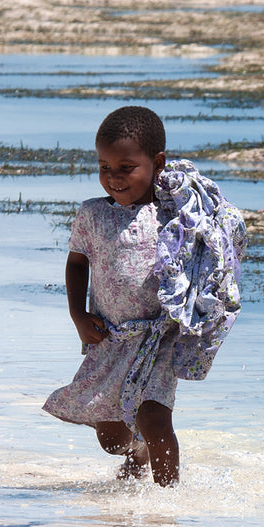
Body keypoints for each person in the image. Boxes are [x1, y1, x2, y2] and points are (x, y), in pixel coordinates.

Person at [44, 106, 245, 485]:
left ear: (157, 163)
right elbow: (76, 263)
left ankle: (167, 505)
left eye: (126, 168)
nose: (113, 178)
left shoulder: (177, 217)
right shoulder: (92, 214)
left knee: (153, 417)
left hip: (159, 337)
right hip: (109, 336)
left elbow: (214, 253)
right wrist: (77, 315)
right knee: (111, 437)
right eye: (104, 167)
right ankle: (136, 455)